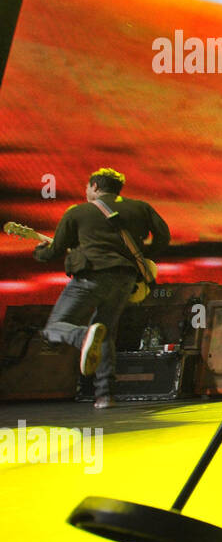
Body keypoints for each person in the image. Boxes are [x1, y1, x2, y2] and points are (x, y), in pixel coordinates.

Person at [34, 168, 170, 408]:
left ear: (95, 186)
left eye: (87, 187)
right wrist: (143, 255)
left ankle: (82, 336)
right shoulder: (140, 207)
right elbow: (163, 236)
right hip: (125, 279)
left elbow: (55, 251)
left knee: (54, 327)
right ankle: (105, 395)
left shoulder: (77, 212)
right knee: (105, 331)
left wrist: (39, 251)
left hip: (91, 276)